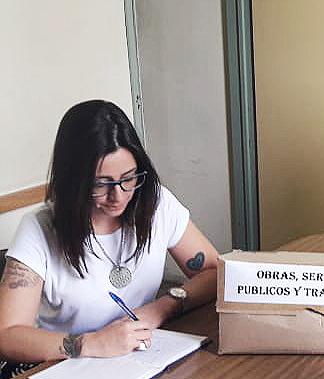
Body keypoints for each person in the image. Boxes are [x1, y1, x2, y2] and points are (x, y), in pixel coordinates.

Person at [0, 100, 219, 364]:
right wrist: (92, 343)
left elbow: (215, 273)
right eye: (100, 185)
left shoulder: (155, 203)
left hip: (139, 356)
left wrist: (162, 308)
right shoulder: (39, 229)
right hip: (65, 367)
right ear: (74, 182)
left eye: (129, 178)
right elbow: (8, 336)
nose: (119, 196)